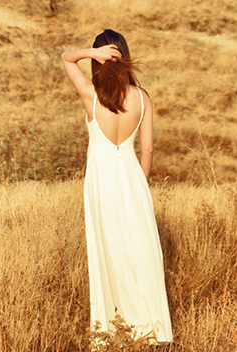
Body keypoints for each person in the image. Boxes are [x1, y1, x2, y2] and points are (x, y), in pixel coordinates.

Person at [61, 30, 172, 345]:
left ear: (101, 58)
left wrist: (90, 54)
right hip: (134, 178)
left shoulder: (91, 93)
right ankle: (152, 330)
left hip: (102, 179)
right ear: (124, 55)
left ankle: (113, 329)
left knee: (109, 250)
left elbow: (65, 57)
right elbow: (147, 150)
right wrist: (140, 184)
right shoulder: (142, 97)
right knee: (142, 250)